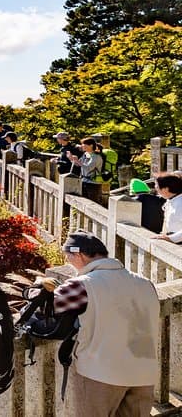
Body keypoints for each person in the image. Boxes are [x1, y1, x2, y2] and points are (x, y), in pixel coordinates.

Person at [51, 232, 158, 416]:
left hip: (100, 373)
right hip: (144, 373)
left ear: (79, 255)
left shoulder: (82, 285)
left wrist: (36, 290)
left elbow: (50, 307)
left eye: (68, 256)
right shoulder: (145, 283)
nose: (67, 261)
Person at [68, 137, 104, 202]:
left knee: (93, 203)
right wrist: (71, 159)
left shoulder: (96, 156)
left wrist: (78, 161)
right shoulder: (85, 154)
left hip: (93, 183)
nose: (82, 146)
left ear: (91, 145)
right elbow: (78, 165)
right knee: (84, 201)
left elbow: (88, 168)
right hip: (84, 181)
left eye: (84, 144)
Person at [150, 173, 182, 243]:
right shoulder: (171, 199)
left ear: (166, 189)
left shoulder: (180, 203)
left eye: (157, 185)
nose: (155, 188)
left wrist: (171, 238)